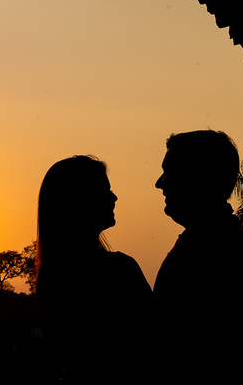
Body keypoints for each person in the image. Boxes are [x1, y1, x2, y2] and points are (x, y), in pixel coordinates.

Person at [35, 155, 152, 381]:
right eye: (104, 190)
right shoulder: (118, 270)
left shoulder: (52, 276)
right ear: (79, 200)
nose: (114, 197)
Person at [153, 130, 243, 375]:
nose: (160, 184)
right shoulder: (212, 241)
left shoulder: (214, 250)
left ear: (198, 177)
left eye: (169, 172)